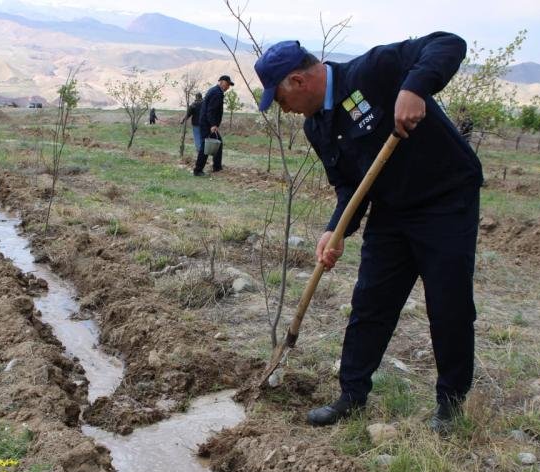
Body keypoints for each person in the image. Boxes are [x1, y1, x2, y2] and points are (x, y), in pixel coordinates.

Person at [254, 33, 483, 433]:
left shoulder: (373, 71)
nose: (284, 109)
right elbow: (349, 185)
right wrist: (336, 229)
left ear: (298, 81)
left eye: (281, 99)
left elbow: (448, 43)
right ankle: (351, 396)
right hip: (392, 210)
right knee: (370, 302)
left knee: (448, 304)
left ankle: (451, 403)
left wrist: (414, 88)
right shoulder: (317, 127)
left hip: (445, 200)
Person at [193, 75, 234, 176]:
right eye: (227, 84)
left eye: (229, 85)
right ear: (221, 82)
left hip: (206, 122)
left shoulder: (215, 91)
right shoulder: (216, 93)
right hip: (207, 124)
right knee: (205, 146)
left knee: (217, 143)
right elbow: (210, 110)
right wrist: (213, 125)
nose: (228, 87)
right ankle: (198, 170)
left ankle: (217, 167)